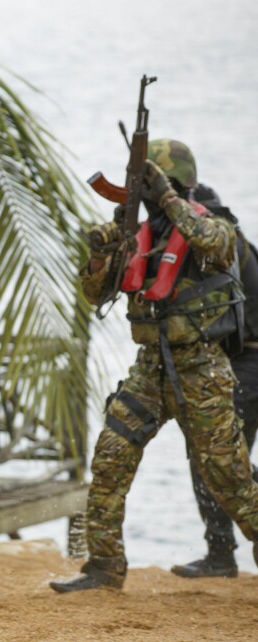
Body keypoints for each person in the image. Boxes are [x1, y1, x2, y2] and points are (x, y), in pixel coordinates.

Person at [50, 139, 258, 593]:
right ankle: (104, 567)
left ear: (175, 184)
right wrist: (103, 250)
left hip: (201, 368)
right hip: (150, 368)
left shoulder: (214, 225)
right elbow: (96, 293)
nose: (140, 192)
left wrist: (167, 195)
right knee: (111, 456)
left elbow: (216, 246)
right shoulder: (143, 234)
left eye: (148, 183)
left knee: (231, 479)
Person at [169, 182, 258, 579]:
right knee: (218, 455)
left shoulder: (220, 243)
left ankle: (222, 553)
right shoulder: (231, 240)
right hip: (239, 360)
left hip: (248, 360)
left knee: (217, 455)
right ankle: (220, 553)